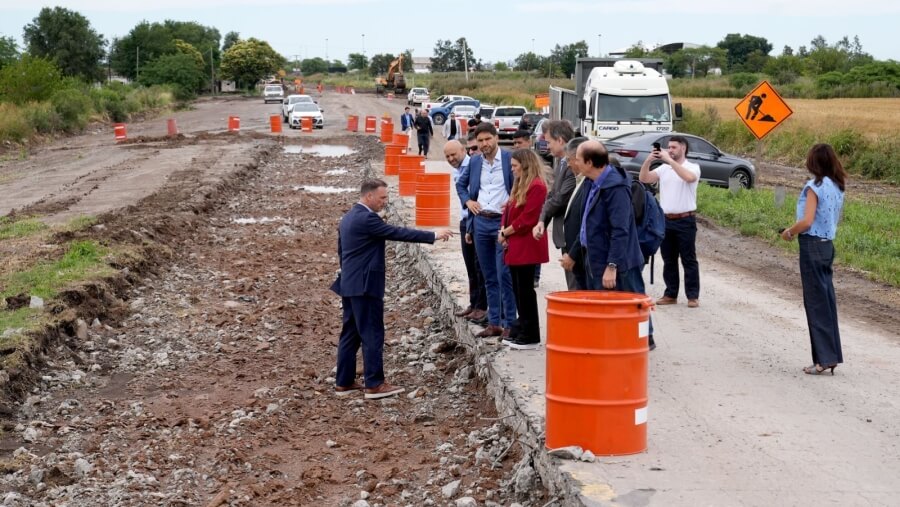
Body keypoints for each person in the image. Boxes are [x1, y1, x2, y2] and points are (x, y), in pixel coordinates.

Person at [331, 179, 453, 399]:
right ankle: (374, 384)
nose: (385, 202)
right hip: (366, 286)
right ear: (369, 196)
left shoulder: (348, 217)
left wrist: (349, 276)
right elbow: (397, 233)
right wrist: (433, 235)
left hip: (349, 283)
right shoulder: (368, 218)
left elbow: (342, 252)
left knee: (350, 333)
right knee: (372, 333)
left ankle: (344, 381)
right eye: (382, 197)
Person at [780, 144, 847, 375]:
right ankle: (831, 355)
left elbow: (807, 221)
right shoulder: (837, 186)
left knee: (816, 303)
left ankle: (823, 359)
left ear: (813, 162)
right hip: (827, 245)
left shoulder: (814, 187)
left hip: (812, 245)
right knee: (826, 301)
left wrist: (789, 232)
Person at [456, 122, 517, 338]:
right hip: (481, 222)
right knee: (488, 275)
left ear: (496, 138)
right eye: (480, 141)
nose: (484, 144)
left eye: (488, 139)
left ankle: (510, 323)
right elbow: (460, 185)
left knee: (504, 275)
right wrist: (468, 202)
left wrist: (513, 201)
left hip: (502, 223)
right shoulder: (474, 161)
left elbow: (524, 184)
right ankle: (494, 323)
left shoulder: (510, 159)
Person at [639, 135, 701, 308]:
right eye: (669, 147)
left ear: (683, 148)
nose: (670, 150)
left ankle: (692, 295)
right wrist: (648, 160)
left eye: (674, 147)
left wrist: (669, 161)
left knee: (688, 259)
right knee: (669, 259)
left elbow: (689, 178)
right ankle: (670, 294)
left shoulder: (692, 167)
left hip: (685, 219)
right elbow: (644, 178)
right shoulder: (664, 169)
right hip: (666, 220)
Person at [499, 149, 549, 350]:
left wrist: (506, 232)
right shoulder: (520, 183)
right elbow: (508, 209)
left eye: (515, 166)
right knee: (518, 288)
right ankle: (522, 326)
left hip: (527, 244)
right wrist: (503, 231)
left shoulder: (537, 186)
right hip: (515, 242)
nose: (512, 169)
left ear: (525, 165)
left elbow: (528, 218)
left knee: (525, 290)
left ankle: (531, 333)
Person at [445, 140, 487, 323]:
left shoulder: (473, 167)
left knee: (480, 267)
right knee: (470, 266)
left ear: (463, 150)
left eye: (453, 154)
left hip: (476, 220)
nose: (451, 159)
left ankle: (482, 307)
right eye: (447, 156)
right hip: (465, 221)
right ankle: (474, 303)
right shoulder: (458, 170)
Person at [533, 120, 577, 288]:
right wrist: (542, 220)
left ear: (560, 140)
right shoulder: (561, 163)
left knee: (577, 287)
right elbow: (552, 195)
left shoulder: (573, 165)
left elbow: (560, 199)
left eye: (549, 141)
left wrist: (542, 219)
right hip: (566, 237)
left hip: (573, 235)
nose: (547, 146)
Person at [557, 136, 590, 290]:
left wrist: (573, 254)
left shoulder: (590, 185)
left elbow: (587, 225)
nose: (568, 164)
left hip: (584, 256)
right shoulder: (581, 180)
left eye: (569, 159)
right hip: (576, 254)